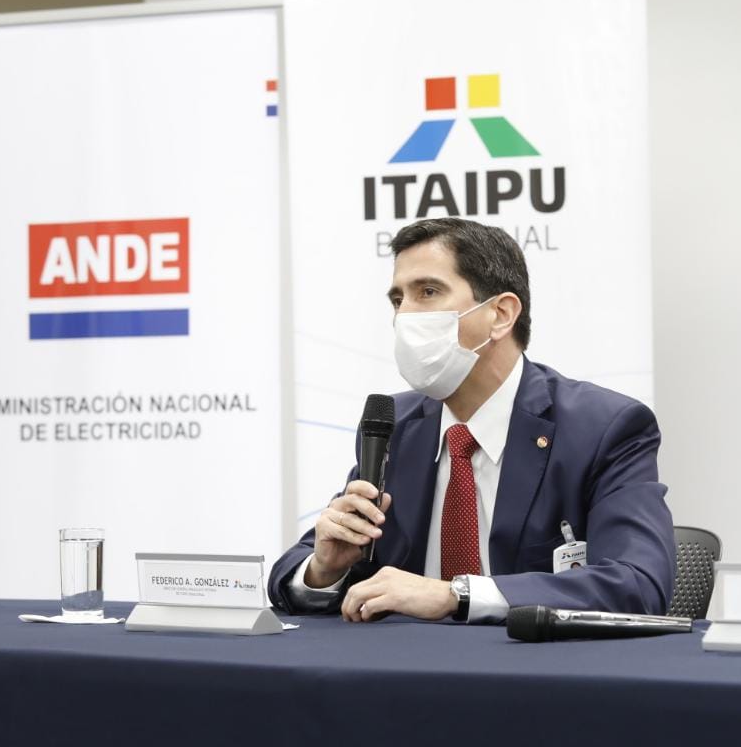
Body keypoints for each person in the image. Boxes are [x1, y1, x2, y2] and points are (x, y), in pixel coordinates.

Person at [268, 218, 675, 623]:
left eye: (427, 292)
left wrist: (457, 595)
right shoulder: (396, 426)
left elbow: (638, 583)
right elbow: (298, 570)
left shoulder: (604, 427)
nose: (404, 315)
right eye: (397, 300)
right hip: (400, 673)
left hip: (535, 673)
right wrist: (325, 569)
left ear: (500, 314)